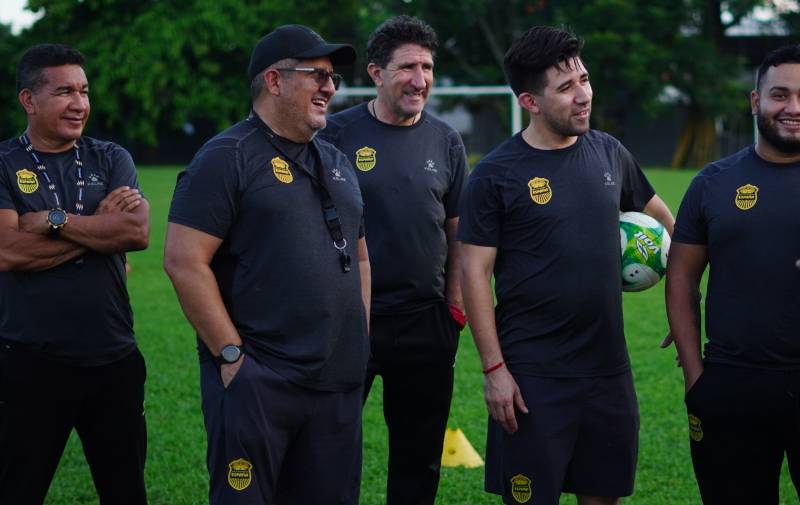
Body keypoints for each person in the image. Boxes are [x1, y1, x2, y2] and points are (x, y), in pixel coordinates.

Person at [458, 26, 674, 505]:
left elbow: (666, 225)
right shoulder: (496, 174)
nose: (583, 96)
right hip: (533, 376)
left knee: (604, 497)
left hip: (608, 372)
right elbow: (473, 272)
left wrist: (682, 306)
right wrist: (494, 368)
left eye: (584, 80)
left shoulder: (609, 153)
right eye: (565, 87)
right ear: (529, 102)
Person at [163, 25, 370, 505]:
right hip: (261, 380)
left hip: (337, 384)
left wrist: (358, 339)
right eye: (316, 75)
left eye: (332, 77)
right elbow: (183, 261)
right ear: (274, 81)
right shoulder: (226, 156)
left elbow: (359, 256)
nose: (330, 88)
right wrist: (232, 358)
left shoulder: (337, 160)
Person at [319, 15, 468, 505]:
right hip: (347, 319)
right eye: (407, 67)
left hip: (425, 322)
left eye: (427, 66)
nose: (420, 79)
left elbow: (457, 229)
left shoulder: (446, 140)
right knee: (329, 449)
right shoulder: (333, 136)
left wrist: (454, 308)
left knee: (419, 456)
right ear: (375, 73)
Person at [0, 44, 150, 505]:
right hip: (29, 363)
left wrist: (54, 220)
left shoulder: (110, 157)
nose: (80, 103)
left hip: (114, 359)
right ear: (29, 100)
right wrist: (98, 229)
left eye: (84, 91)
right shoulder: (5, 162)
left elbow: (136, 230)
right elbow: (8, 252)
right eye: (65, 91)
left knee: (125, 492)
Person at [666, 44, 800, 505]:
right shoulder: (712, 183)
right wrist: (695, 378)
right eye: (780, 95)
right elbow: (682, 279)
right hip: (731, 384)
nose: (793, 108)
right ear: (755, 101)